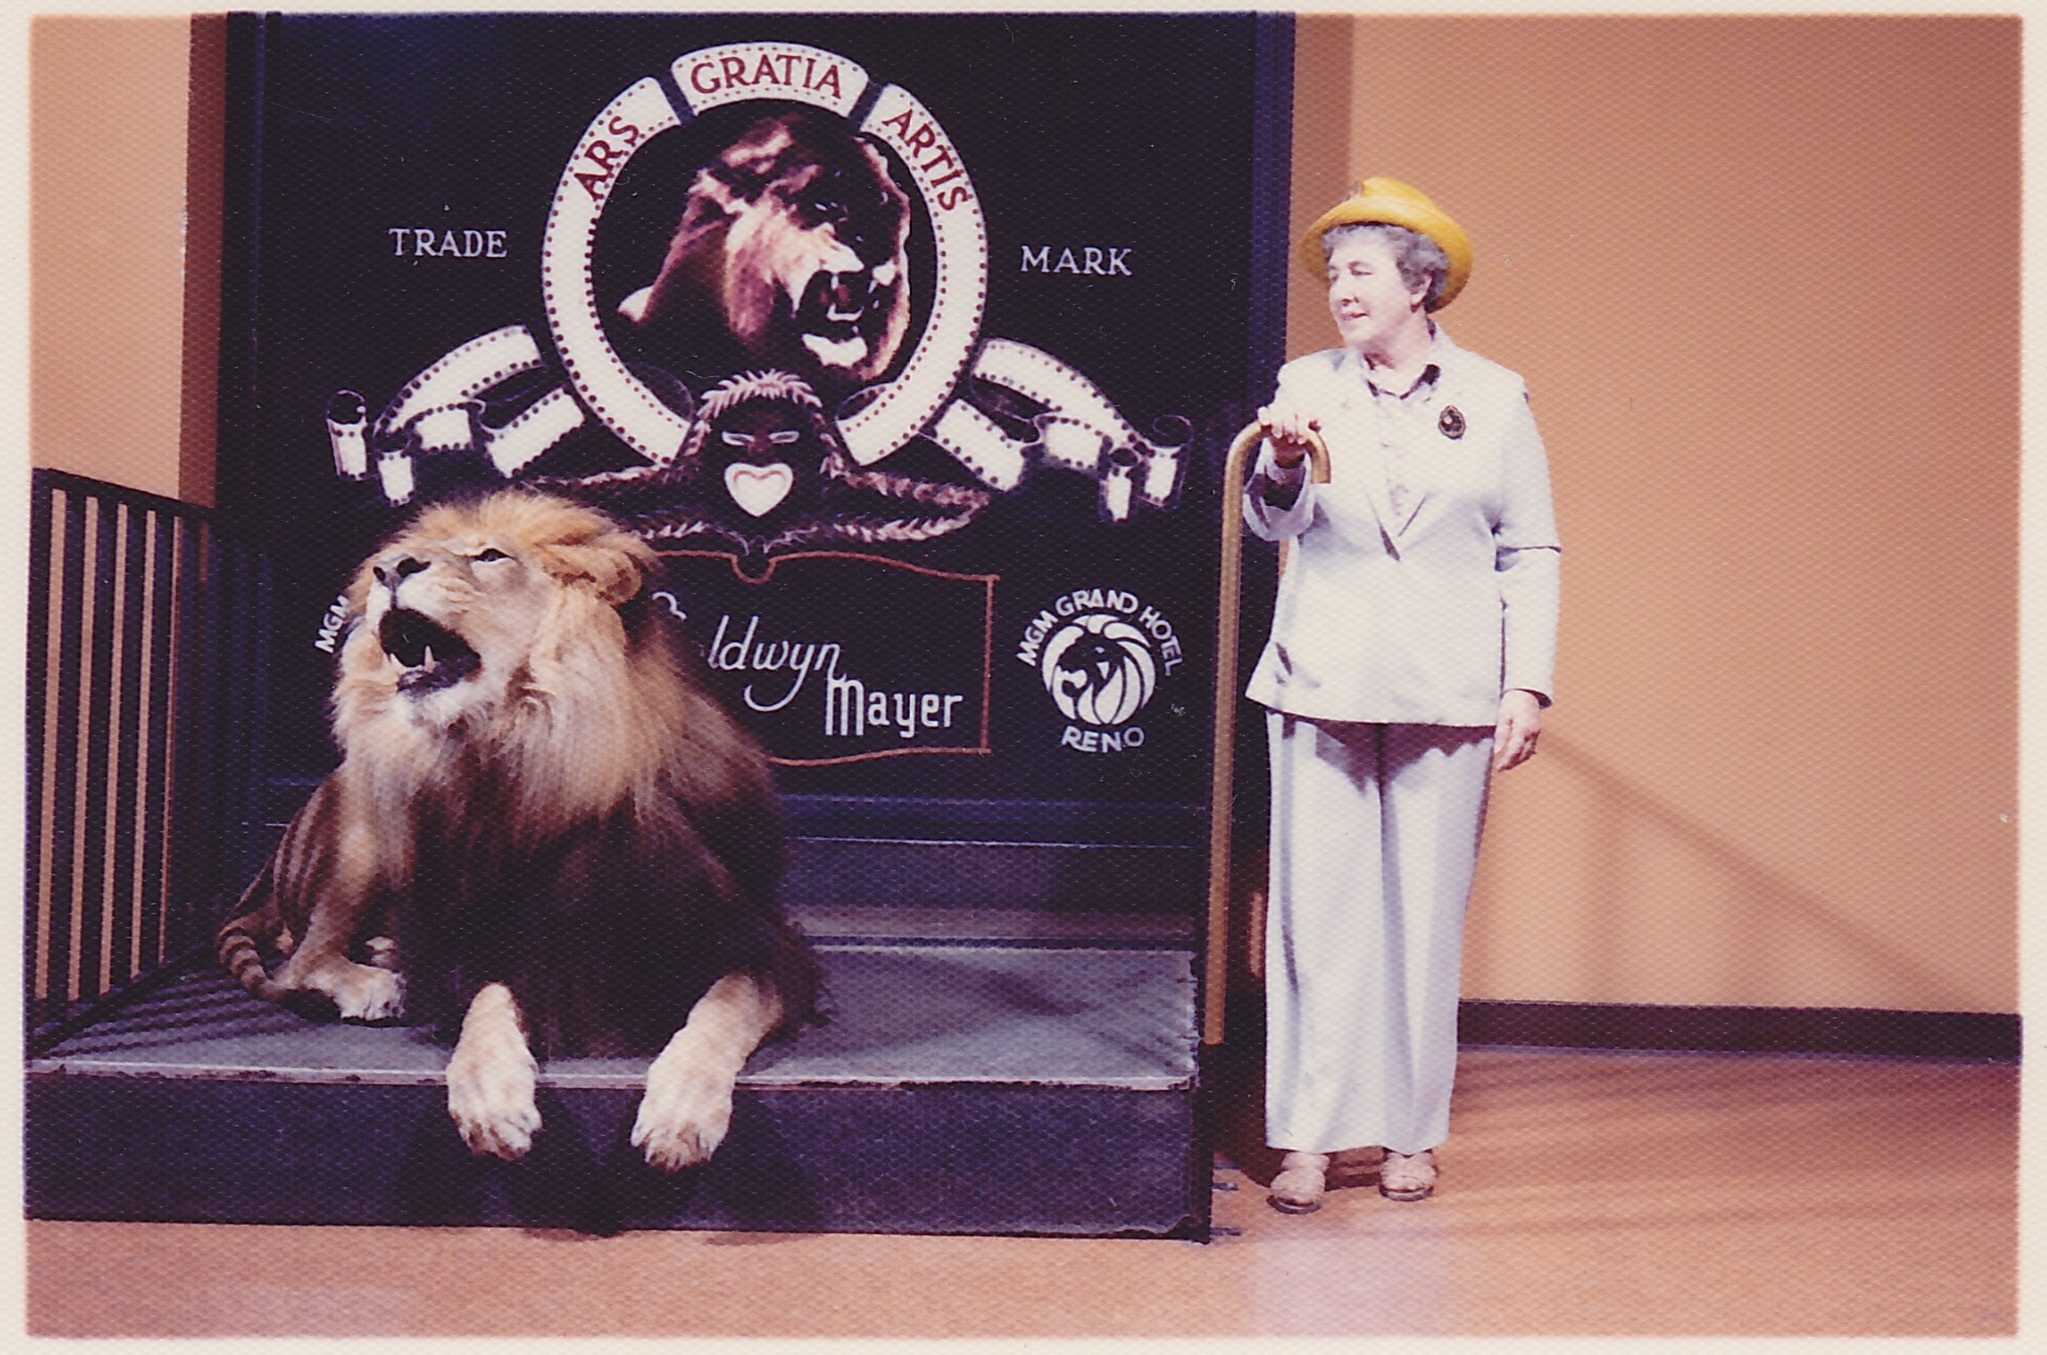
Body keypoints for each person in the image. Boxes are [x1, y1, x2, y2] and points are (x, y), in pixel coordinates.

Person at [1245, 178, 1560, 1212]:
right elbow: (1272, 522)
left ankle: (1408, 1135)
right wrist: (1282, 466)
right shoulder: (1304, 383)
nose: (1340, 288)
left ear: (1420, 284)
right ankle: (1304, 1135)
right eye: (1333, 272)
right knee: (1314, 917)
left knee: (1423, 920)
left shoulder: (1500, 397)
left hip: (1448, 682)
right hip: (1323, 675)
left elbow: (1530, 548)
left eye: (1361, 270)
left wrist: (1524, 683)